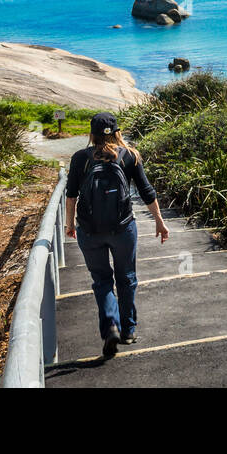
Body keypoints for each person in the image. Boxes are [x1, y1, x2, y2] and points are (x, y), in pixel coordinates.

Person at [64, 112, 169, 357]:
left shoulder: (80, 157)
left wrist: (70, 224)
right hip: (123, 229)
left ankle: (110, 325)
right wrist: (159, 222)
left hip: (90, 231)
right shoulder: (130, 156)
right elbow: (146, 191)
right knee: (127, 277)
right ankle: (129, 331)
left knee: (101, 280)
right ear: (117, 132)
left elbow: (71, 195)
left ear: (92, 133)